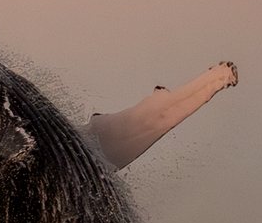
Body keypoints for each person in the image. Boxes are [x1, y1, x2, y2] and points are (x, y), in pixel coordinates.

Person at [85, 62, 238, 171]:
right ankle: (219, 77)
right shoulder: (158, 115)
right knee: (173, 110)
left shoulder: (157, 113)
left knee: (174, 108)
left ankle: (218, 76)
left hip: (106, 143)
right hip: (107, 145)